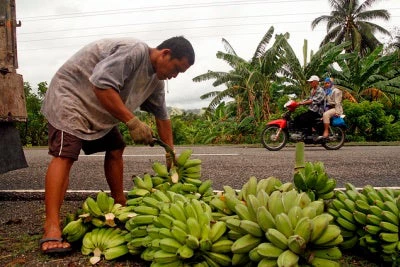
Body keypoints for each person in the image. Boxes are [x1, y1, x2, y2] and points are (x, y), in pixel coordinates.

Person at [39, 36, 195, 254]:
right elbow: (102, 85)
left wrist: (170, 153)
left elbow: (162, 117)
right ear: (165, 53)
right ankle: (51, 226)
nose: (175, 76)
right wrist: (132, 121)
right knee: (65, 154)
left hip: (99, 109)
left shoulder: (156, 81)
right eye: (176, 68)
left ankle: (119, 202)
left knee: (115, 147)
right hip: (71, 98)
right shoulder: (134, 51)